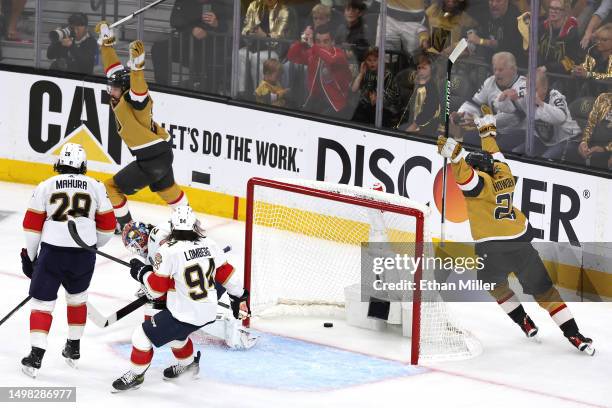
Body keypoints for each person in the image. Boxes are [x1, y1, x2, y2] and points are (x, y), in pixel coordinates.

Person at [436, 116, 595, 355]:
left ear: (478, 169)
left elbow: (465, 177)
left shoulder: (479, 184)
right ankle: (575, 335)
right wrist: (486, 133)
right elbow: (496, 155)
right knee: (547, 293)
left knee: (495, 286)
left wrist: (456, 157)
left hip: (491, 248)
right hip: (520, 242)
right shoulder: (505, 175)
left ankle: (523, 321)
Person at [111, 206, 250, 392]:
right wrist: (238, 297)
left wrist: (141, 273)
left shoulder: (168, 250)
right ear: (194, 225)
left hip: (184, 313)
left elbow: (156, 289)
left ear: (173, 226)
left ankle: (136, 375)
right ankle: (189, 366)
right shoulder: (209, 243)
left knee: (141, 336)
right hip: (208, 309)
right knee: (176, 336)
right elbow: (228, 277)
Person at [20, 143, 116, 378]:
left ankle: (36, 355)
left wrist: (30, 257)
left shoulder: (45, 186)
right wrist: (92, 245)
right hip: (83, 255)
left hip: (52, 253)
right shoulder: (95, 186)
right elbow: (109, 226)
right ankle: (73, 348)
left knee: (42, 304)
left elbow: (32, 226)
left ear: (59, 164)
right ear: (83, 166)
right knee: (77, 299)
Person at [95, 21, 189, 231]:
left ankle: (127, 228)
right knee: (168, 190)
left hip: (151, 159)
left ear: (125, 88)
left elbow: (139, 91)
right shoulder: (120, 93)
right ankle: (192, 223)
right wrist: (106, 44)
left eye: (114, 88)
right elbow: (113, 69)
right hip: (161, 154)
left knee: (111, 187)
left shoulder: (135, 102)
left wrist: (137, 68)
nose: (110, 90)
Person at [122, 219, 257, 349]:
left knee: (185, 312)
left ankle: (232, 330)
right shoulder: (162, 234)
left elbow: (162, 285)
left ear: (143, 237)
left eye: (136, 243)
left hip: (207, 283)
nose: (137, 248)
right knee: (191, 308)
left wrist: (145, 278)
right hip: (210, 278)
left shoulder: (159, 241)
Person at [151, 0, 232, 92]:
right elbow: (174, 20)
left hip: (211, 47)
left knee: (216, 57)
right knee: (159, 48)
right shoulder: (184, 1)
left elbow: (231, 27)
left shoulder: (221, 3)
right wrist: (192, 29)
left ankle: (211, 93)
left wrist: (216, 24)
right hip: (186, 44)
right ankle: (162, 89)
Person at [455, 51, 527, 151]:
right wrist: (462, 114)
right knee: (469, 139)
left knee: (496, 147)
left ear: (513, 69)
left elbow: (513, 118)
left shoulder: (523, 86)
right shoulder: (490, 81)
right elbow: (475, 103)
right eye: (495, 69)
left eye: (501, 70)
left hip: (517, 132)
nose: (497, 73)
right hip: (494, 130)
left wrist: (480, 121)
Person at [511, 67, 582, 161]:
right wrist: (507, 97)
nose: (531, 92)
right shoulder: (525, 94)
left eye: (535, 89)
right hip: (545, 141)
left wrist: (540, 103)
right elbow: (510, 104)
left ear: (545, 88)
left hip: (568, 139)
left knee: (544, 160)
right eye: (528, 88)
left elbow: (561, 117)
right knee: (515, 153)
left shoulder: (556, 97)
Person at [288, 23, 352, 118]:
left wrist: (314, 46)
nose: (321, 45)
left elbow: (330, 60)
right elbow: (292, 56)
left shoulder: (339, 55)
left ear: (333, 42)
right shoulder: (314, 54)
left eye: (325, 41)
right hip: (315, 100)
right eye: (318, 41)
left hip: (337, 104)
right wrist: (302, 41)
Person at [238, 0, 294, 94]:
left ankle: (260, 94)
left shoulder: (284, 11)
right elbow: (245, 28)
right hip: (254, 46)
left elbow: (279, 37)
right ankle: (240, 92)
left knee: (257, 58)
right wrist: (249, 33)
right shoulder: (254, 5)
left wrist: (264, 36)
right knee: (241, 54)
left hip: (274, 49)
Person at [466, 0, 527, 67]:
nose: (494, 4)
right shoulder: (485, 9)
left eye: (498, 1)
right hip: (488, 63)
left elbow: (506, 46)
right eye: (491, 1)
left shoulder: (515, 18)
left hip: (510, 66)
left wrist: (481, 41)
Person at [351, 47, 400, 126]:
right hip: (367, 106)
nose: (372, 63)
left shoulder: (387, 75)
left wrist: (379, 98)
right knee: (355, 113)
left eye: (375, 60)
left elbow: (393, 99)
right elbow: (353, 89)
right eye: (369, 60)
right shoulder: (367, 72)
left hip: (385, 109)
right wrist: (361, 74)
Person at [396, 52, 441, 135]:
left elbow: (429, 111)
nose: (420, 70)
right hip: (414, 121)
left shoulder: (431, 88)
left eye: (424, 68)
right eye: (419, 68)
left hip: (426, 124)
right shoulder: (418, 85)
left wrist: (414, 125)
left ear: (432, 69)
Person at [537, 0, 583, 75]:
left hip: (563, 76)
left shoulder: (571, 32)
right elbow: (537, 52)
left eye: (557, 9)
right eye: (551, 8)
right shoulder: (542, 27)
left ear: (565, 11)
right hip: (541, 71)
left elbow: (572, 61)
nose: (553, 11)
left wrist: (547, 68)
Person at [577, 92, 611, 169]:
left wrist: (605, 148)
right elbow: (591, 122)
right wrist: (584, 141)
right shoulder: (603, 98)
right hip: (592, 143)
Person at [334, 0, 372, 64]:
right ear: (344, 12)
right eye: (348, 10)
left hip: (358, 64)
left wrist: (354, 53)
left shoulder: (365, 30)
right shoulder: (341, 28)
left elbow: (366, 50)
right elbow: (336, 44)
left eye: (353, 10)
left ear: (360, 13)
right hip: (341, 63)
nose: (350, 13)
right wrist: (341, 51)